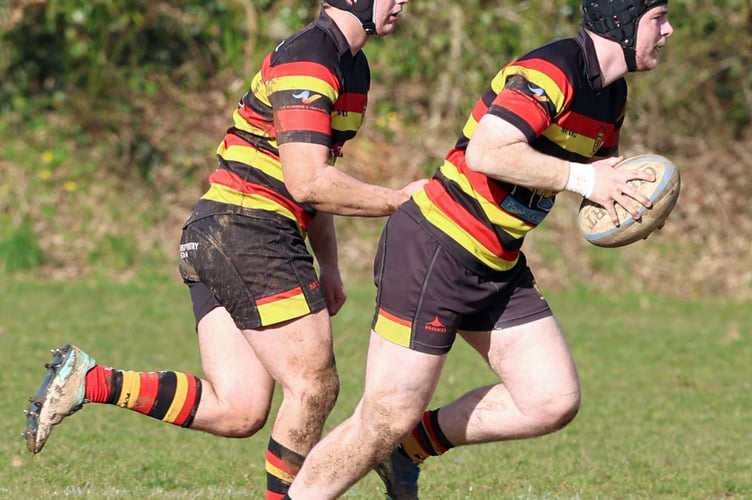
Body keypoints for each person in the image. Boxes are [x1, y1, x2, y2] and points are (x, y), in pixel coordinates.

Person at [23, 1, 425, 498]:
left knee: (239, 409)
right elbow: (308, 182)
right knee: (313, 387)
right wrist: (398, 201)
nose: (402, 0)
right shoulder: (311, 56)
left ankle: (92, 380)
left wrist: (332, 265)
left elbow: (313, 173)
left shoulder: (352, 67)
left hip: (221, 231)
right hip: (249, 230)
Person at [285, 0, 674, 498]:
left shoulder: (611, 95)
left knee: (551, 399)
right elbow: (489, 151)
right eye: (658, 18)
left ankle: (409, 449)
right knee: (385, 416)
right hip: (436, 247)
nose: (668, 31)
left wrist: (635, 204)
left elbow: (600, 180)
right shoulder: (550, 71)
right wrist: (583, 179)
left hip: (498, 262)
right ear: (620, 20)